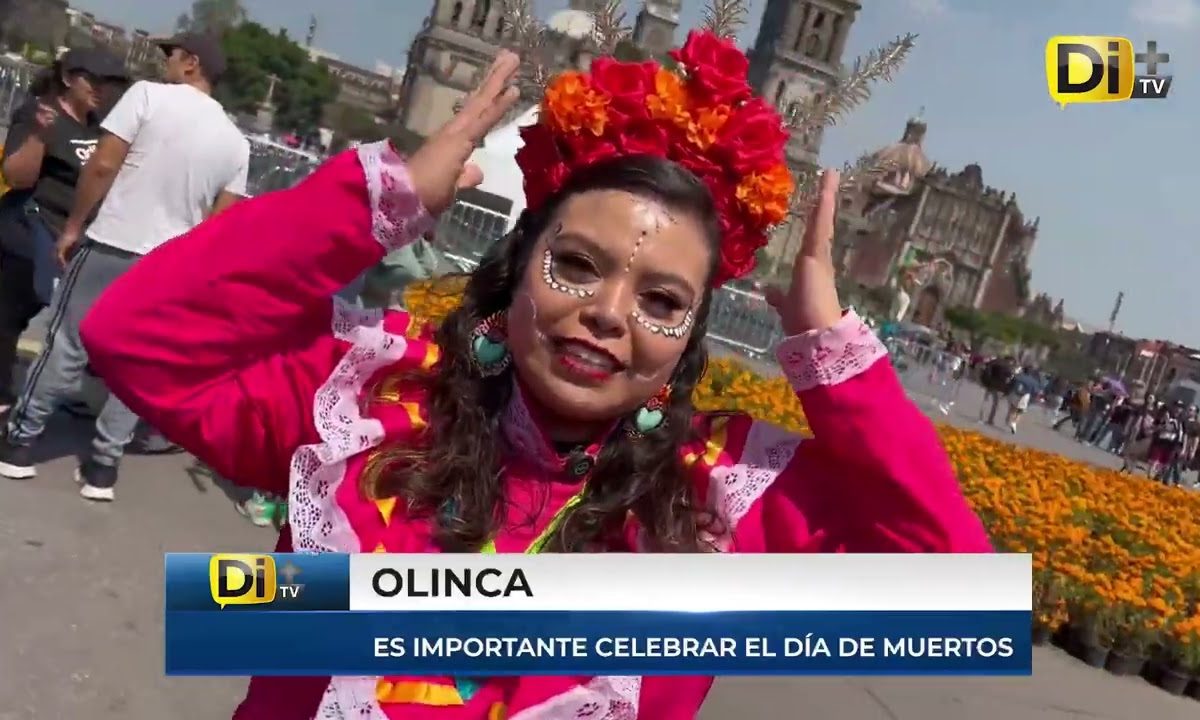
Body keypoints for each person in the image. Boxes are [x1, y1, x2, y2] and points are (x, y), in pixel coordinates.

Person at [78, 43, 990, 718]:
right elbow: (135, 333)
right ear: (519, 268)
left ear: (689, 336)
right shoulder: (370, 398)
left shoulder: (720, 499)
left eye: (662, 299)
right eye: (579, 266)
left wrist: (830, 352)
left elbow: (958, 598)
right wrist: (373, 203)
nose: (609, 314)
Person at [0, 32, 249, 501]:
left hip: (113, 241)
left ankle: (19, 443)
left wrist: (74, 225)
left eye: (172, 55)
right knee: (138, 365)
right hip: (168, 266)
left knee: (67, 343)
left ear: (192, 63)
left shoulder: (148, 97)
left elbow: (102, 166)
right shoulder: (236, 143)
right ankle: (102, 468)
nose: (167, 63)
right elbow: (222, 223)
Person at [0, 48, 127, 412]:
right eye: (94, 80)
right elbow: (16, 176)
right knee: (10, 314)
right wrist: (40, 137)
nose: (101, 89)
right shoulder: (41, 113)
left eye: (109, 82)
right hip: (28, 228)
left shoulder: (99, 125)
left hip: (68, 238)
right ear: (70, 78)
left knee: (32, 311)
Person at [978, 356, 1015, 426]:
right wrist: (1007, 391)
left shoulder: (995, 362)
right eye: (1012, 362)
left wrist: (985, 382)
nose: (1012, 363)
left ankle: (981, 418)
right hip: (1000, 388)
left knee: (986, 401)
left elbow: (986, 369)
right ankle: (990, 420)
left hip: (990, 384)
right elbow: (1009, 380)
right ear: (1010, 360)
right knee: (995, 405)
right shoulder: (1008, 368)